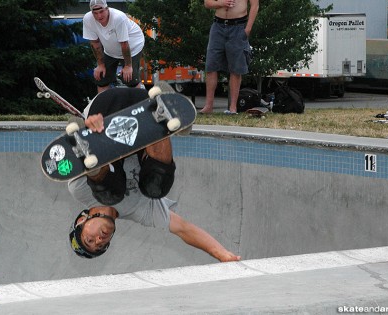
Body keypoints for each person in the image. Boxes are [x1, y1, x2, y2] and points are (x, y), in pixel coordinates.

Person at [68, 84, 241, 262]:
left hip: (105, 109)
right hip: (143, 103)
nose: (99, 240)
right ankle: (160, 119)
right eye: (102, 245)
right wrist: (221, 254)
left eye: (90, 239)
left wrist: (87, 128)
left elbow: (66, 152)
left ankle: (89, 149)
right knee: (155, 189)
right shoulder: (140, 211)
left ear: (82, 220)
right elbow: (183, 228)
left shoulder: (79, 190)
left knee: (109, 194)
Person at [200, 0, 259, 115]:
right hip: (218, 26)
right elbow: (207, 3)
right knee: (211, 66)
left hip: (238, 26)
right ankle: (208, 106)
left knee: (236, 69)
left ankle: (233, 107)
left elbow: (255, 5)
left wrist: (248, 29)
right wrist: (221, 3)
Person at [83, 0, 145, 93]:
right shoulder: (88, 19)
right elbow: (95, 43)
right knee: (101, 77)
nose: (99, 16)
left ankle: (140, 101)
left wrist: (128, 66)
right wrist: (100, 64)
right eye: (95, 13)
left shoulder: (118, 18)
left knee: (130, 78)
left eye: (101, 12)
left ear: (107, 9)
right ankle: (104, 105)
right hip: (110, 49)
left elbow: (124, 44)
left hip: (132, 46)